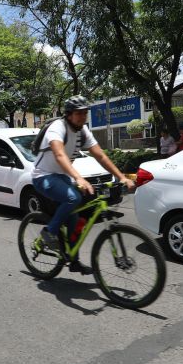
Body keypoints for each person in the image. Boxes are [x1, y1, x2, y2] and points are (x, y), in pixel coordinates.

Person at [32, 95, 136, 275]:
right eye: (79, 113)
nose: (83, 116)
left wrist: (121, 177)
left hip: (62, 177)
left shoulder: (82, 131)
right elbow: (60, 155)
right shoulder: (57, 128)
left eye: (85, 113)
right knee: (73, 198)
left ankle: (74, 261)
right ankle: (49, 232)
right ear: (69, 114)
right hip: (43, 176)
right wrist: (79, 178)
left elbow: (101, 156)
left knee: (76, 219)